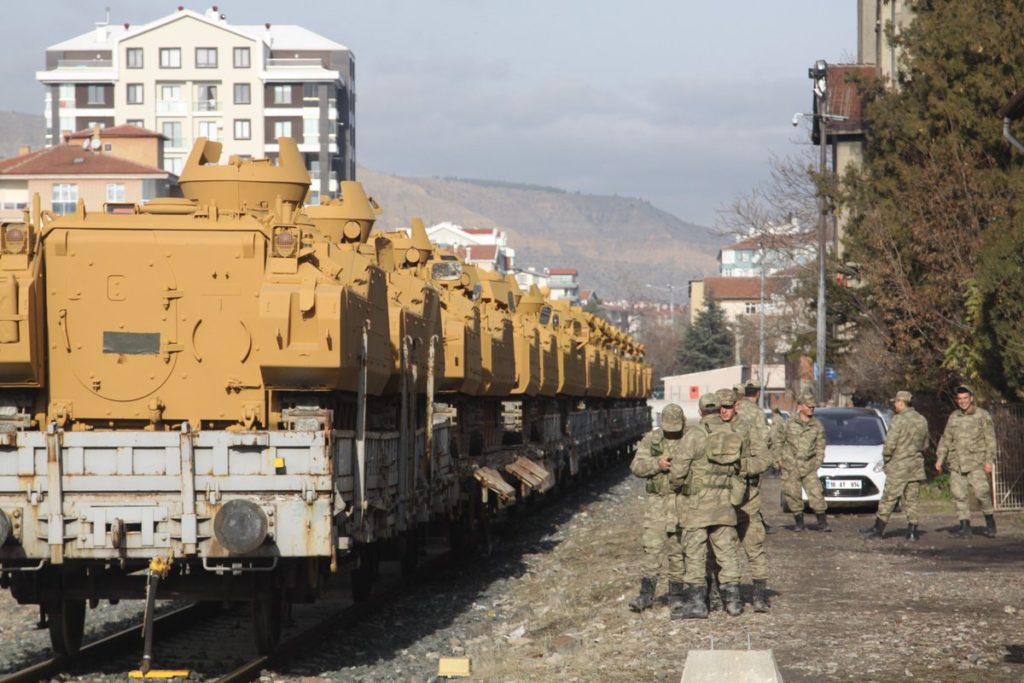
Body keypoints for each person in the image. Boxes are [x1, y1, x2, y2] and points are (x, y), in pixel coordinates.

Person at [669, 388, 746, 619]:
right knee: (727, 553)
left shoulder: (694, 435)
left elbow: (678, 471)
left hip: (697, 507)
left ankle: (697, 604)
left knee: (695, 553)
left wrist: (677, 486)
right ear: (720, 409)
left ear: (701, 411)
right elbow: (740, 469)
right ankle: (733, 602)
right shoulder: (734, 434)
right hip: (725, 505)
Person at [628, 403, 686, 612]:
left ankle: (677, 595)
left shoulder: (690, 438)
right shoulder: (651, 440)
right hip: (657, 503)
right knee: (652, 549)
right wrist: (656, 464)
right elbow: (635, 466)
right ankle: (646, 595)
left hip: (681, 502)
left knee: (677, 550)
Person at [861, 390, 929, 540]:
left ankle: (878, 529)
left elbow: (890, 445)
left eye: (896, 402)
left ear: (901, 402)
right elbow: (925, 444)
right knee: (912, 499)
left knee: (889, 498)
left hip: (899, 465)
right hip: (915, 465)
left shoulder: (898, 420)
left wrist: (887, 460)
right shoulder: (922, 420)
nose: (894, 405)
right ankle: (912, 530)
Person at [732, 380, 774, 611]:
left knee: (754, 547)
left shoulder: (749, 429)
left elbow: (764, 457)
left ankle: (759, 596)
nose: (729, 410)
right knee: (723, 553)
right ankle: (729, 597)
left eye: (732, 405)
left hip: (748, 499)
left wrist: (741, 466)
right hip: (721, 503)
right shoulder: (713, 431)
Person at [936, 384, 997, 538]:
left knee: (982, 494)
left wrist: (989, 461)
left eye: (965, 398)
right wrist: (940, 458)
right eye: (960, 399)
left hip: (976, 462)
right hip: (957, 463)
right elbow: (946, 439)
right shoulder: (954, 417)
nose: (962, 401)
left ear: (971, 398)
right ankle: (965, 527)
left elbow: (990, 440)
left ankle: (990, 523)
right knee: (959, 495)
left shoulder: (982, 415)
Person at [780, 393, 830, 532]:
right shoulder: (789, 423)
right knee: (793, 495)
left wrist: (818, 462)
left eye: (813, 406)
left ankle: (822, 523)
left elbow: (821, 446)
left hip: (809, 466)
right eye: (808, 406)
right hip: (791, 466)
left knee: (816, 494)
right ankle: (799, 523)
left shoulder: (817, 425)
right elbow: (778, 441)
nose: (811, 408)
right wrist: (779, 460)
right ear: (800, 406)